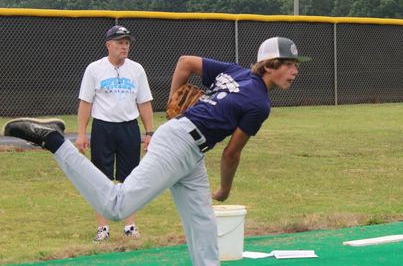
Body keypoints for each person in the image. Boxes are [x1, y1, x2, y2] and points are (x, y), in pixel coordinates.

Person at [4, 36, 306, 266]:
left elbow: (186, 62)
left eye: (296, 65)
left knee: (202, 225)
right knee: (116, 206)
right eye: (289, 64)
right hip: (180, 144)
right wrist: (225, 189)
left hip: (190, 148)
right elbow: (231, 154)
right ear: (269, 65)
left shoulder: (236, 72)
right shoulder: (259, 104)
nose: (295, 71)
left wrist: (173, 102)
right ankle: (53, 140)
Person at [76, 25, 154, 242]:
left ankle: (130, 225)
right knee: (101, 178)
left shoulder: (137, 69)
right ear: (108, 45)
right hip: (103, 127)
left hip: (129, 127)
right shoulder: (94, 69)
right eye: (120, 42)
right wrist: (81, 134)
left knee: (131, 179)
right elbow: (85, 103)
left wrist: (149, 132)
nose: (124, 46)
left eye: (127, 42)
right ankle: (103, 227)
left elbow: (145, 102)